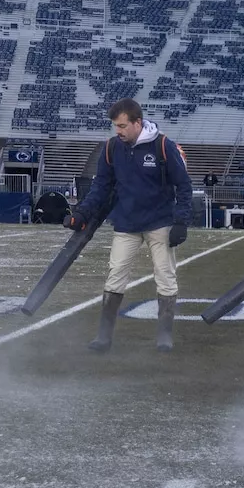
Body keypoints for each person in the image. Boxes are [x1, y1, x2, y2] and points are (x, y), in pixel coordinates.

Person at [67, 98, 192, 353]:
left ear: (137, 122)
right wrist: (82, 212)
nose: (118, 131)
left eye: (122, 126)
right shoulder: (112, 148)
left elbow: (184, 185)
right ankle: (104, 336)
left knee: (165, 277)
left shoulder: (162, 146)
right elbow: (101, 186)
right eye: (116, 126)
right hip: (126, 222)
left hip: (160, 222)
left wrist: (181, 221)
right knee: (116, 275)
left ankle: (164, 337)